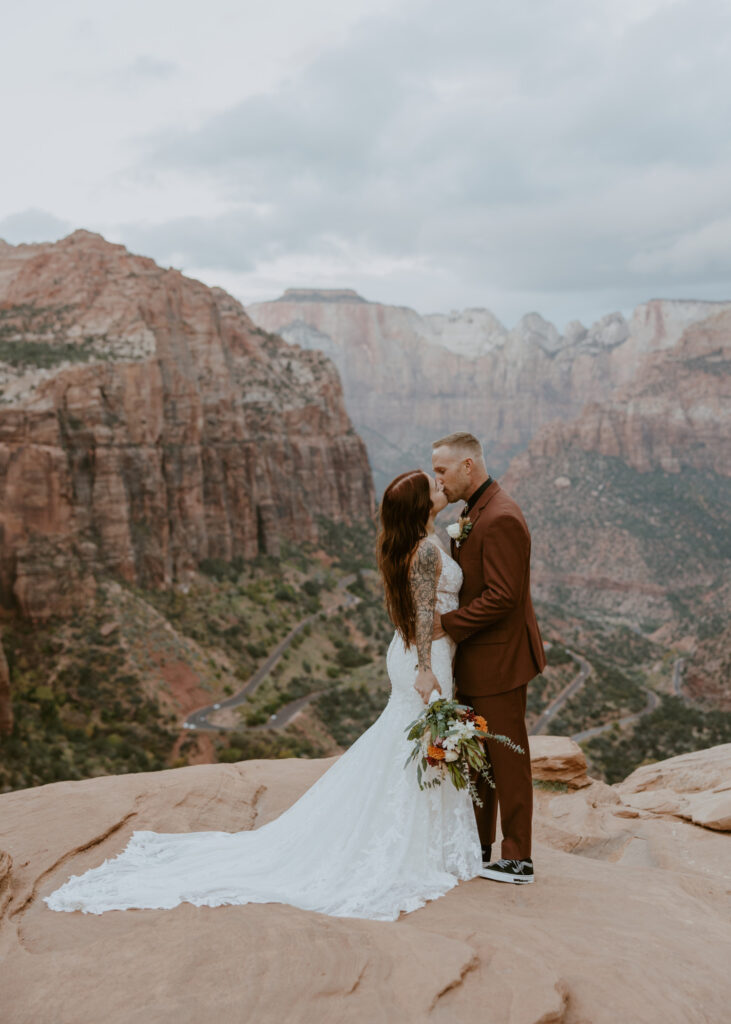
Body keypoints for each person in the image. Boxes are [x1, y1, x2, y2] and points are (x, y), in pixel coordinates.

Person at [44, 470, 481, 921]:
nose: (439, 489)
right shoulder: (426, 550)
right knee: (417, 742)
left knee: (407, 742)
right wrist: (427, 670)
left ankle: (416, 837)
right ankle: (415, 844)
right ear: (420, 506)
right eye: (432, 486)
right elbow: (425, 614)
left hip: (413, 653)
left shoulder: (417, 544)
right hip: (424, 660)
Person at [432, 432, 546, 885]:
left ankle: (518, 859)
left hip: (500, 663)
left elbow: (503, 597)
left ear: (467, 467)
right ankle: (478, 846)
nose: (437, 479)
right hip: (478, 661)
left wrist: (449, 625)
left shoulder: (500, 517)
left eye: (441, 470)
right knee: (477, 758)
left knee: (507, 758)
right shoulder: (474, 512)